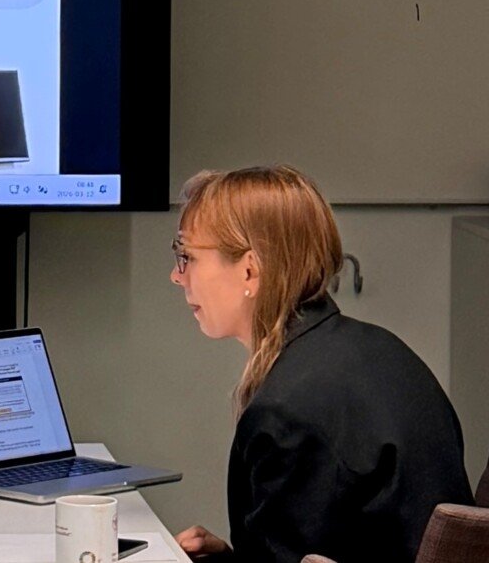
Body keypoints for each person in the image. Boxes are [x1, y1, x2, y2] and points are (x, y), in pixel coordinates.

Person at [169, 165, 471, 563]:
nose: (177, 276)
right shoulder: (384, 350)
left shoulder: (287, 411)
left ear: (249, 270)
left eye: (187, 257)